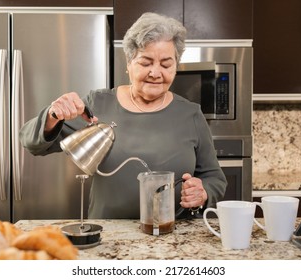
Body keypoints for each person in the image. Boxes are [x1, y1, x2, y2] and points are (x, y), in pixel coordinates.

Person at [19, 12, 227, 219]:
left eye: (166, 64)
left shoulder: (190, 114)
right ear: (128, 63)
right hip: (109, 236)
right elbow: (32, 143)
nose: (155, 73)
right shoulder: (97, 104)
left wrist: (203, 192)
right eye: (145, 63)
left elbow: (214, 178)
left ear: (175, 67)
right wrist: (53, 115)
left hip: (172, 236)